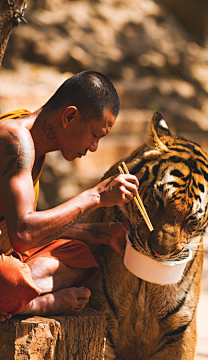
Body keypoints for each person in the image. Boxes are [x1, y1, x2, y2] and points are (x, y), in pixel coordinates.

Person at [0, 70, 139, 322]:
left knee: (80, 255)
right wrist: (95, 196)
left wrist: (103, 233)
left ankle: (22, 291)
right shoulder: (14, 140)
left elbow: (20, 229)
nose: (94, 147)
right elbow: (22, 234)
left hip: (6, 249)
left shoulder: (33, 145)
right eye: (95, 135)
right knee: (8, 279)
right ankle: (39, 303)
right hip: (8, 260)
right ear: (70, 116)